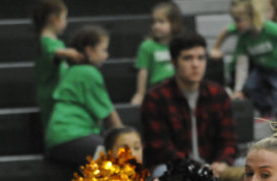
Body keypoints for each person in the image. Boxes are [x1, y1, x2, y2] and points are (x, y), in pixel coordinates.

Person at [141, 32, 237, 178]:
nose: (195, 65)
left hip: (213, 166)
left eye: (201, 58)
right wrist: (196, 168)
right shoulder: (156, 98)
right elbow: (160, 148)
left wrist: (222, 162)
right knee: (161, 171)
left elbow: (229, 140)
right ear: (174, 62)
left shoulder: (218, 94)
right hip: (175, 167)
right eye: (187, 58)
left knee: (246, 166)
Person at [45, 25, 122, 168]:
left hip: (58, 138)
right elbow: (108, 112)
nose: (106, 55)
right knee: (118, 158)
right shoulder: (88, 72)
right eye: (103, 50)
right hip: (72, 136)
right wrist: (124, 139)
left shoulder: (71, 71)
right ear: (89, 50)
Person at [228, 0, 277, 121]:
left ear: (252, 17)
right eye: (235, 20)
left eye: (239, 20)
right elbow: (241, 65)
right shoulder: (244, 38)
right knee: (250, 87)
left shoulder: (268, 27)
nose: (236, 25)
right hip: (262, 70)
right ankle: (266, 110)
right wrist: (238, 89)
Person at [32, 0, 83, 129]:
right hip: (51, 95)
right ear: (53, 19)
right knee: (54, 128)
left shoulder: (53, 41)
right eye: (64, 18)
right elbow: (54, 52)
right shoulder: (46, 41)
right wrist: (71, 53)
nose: (66, 22)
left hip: (57, 94)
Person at [129, 2, 185, 106]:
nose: (156, 26)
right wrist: (140, 94)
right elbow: (143, 71)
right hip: (158, 89)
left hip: (179, 87)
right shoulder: (147, 46)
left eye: (161, 22)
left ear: (174, 23)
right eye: (154, 22)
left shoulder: (181, 44)